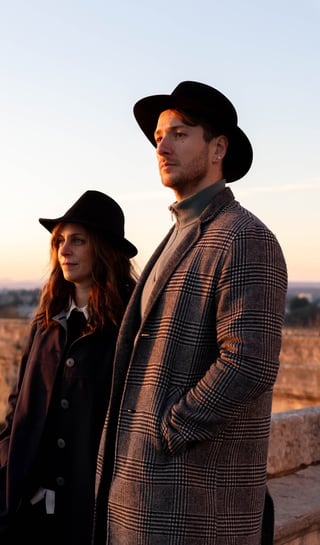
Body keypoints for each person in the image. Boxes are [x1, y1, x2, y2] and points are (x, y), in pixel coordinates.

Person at [93, 82, 288, 545]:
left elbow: (250, 362)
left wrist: (168, 431)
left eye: (179, 133)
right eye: (159, 136)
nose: (161, 146)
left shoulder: (243, 236)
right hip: (143, 496)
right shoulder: (178, 233)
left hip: (189, 505)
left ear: (218, 147)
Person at [0, 189, 138, 545]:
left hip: (89, 507)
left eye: (78, 241)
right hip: (24, 493)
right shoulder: (48, 320)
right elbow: (18, 396)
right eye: (60, 241)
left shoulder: (130, 324)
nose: (64, 250)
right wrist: (9, 455)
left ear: (104, 248)